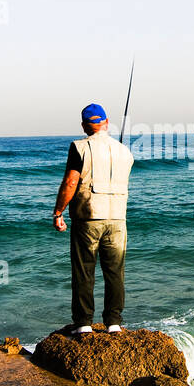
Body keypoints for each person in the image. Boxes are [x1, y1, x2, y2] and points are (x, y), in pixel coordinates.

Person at [52, 103, 135, 334]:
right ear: (107, 123)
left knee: (84, 271)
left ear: (84, 126)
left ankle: (84, 324)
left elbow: (71, 182)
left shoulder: (79, 147)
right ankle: (114, 323)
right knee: (115, 272)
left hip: (88, 218)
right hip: (118, 220)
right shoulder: (125, 152)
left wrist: (58, 212)